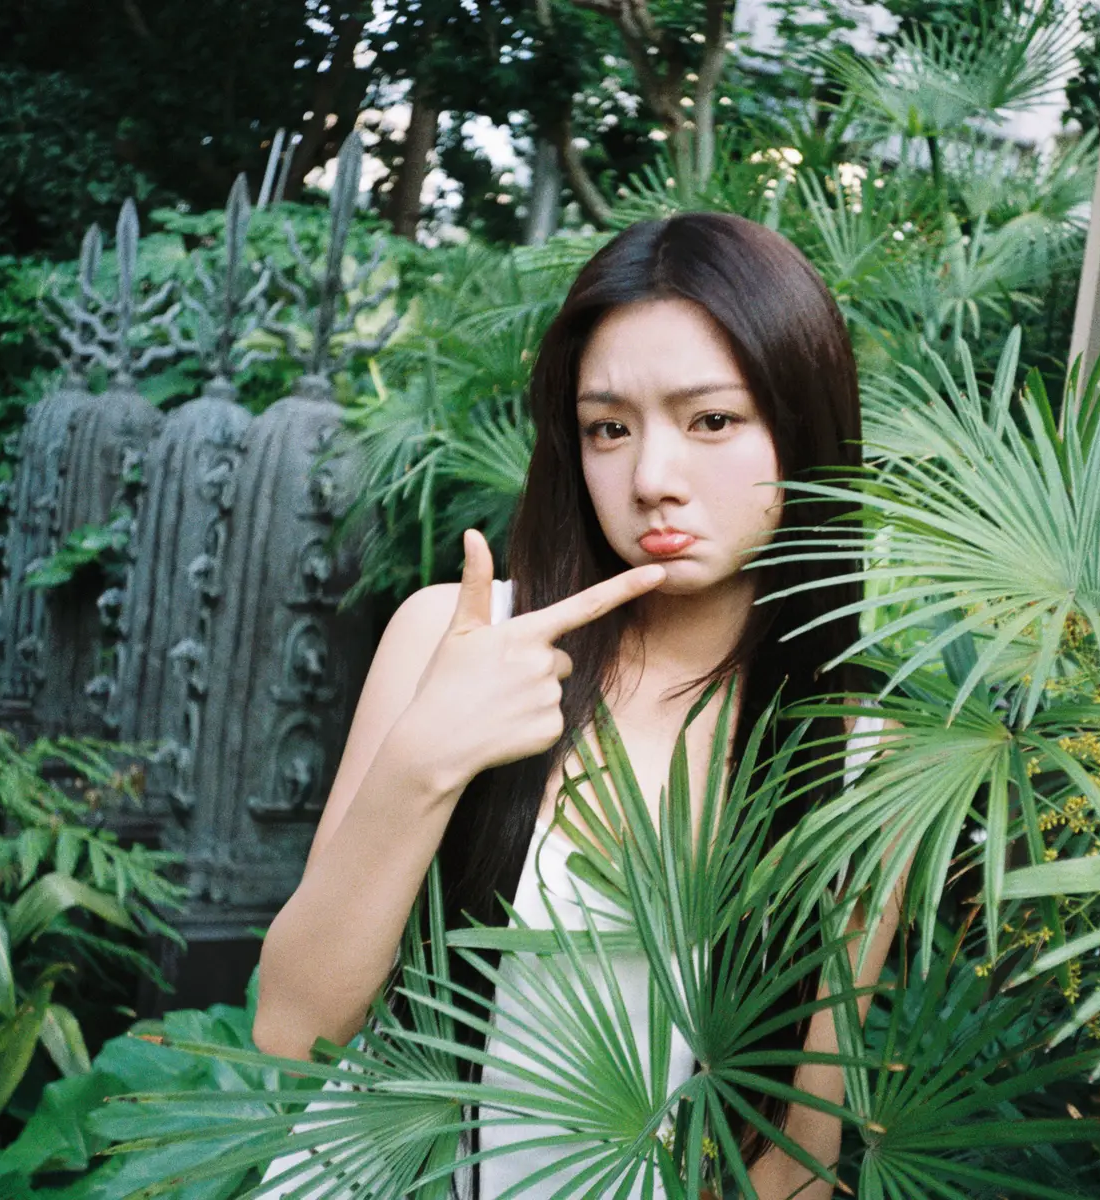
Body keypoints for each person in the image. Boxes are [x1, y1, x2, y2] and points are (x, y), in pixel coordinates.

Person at [254, 211, 903, 1198]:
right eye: (609, 428)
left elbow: (795, 1143)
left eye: (711, 421)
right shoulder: (456, 638)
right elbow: (293, 1031)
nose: (652, 479)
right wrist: (425, 761)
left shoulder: (857, 748)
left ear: (803, 425)